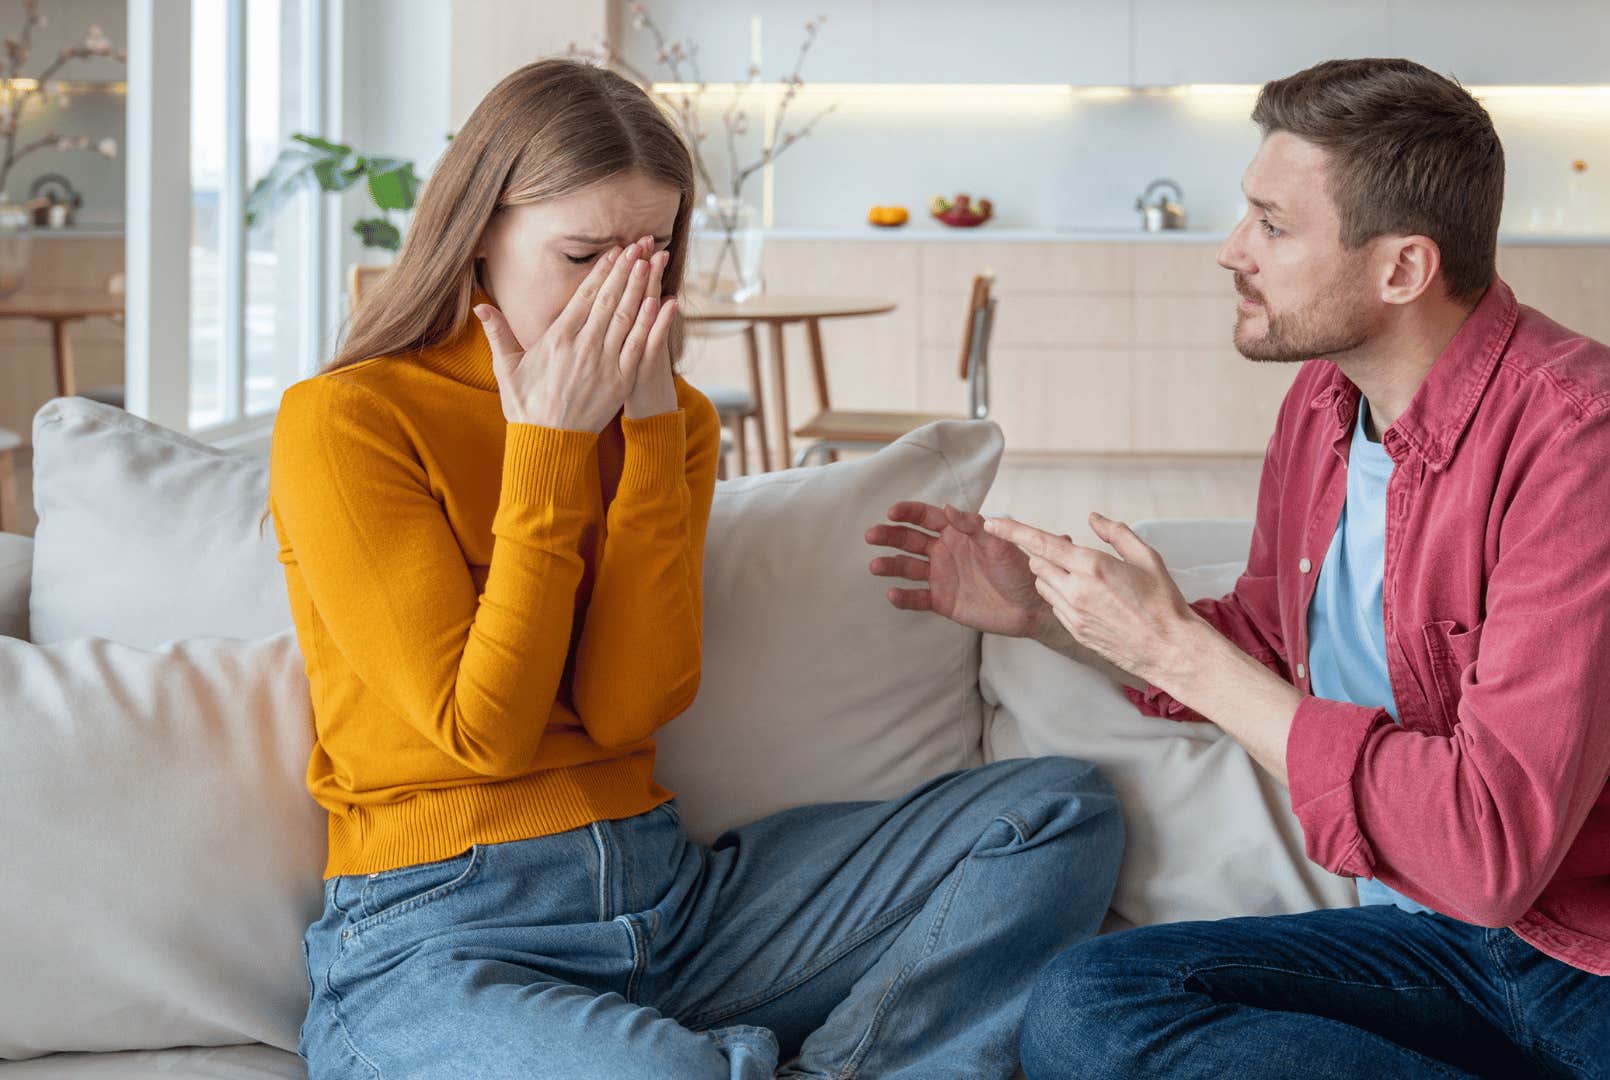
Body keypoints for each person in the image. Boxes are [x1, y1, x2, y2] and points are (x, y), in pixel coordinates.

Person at [867, 58, 1610, 1079]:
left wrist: (1178, 654)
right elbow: (1268, 645)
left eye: (1272, 225)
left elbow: (1488, 852)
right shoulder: (1322, 406)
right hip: (1441, 951)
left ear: (1401, 269)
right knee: (1091, 1004)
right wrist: (1052, 614)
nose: (1230, 252)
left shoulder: (1592, 438)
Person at [270, 57, 1123, 1080]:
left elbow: (628, 709)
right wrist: (546, 443)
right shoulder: (351, 418)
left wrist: (637, 436)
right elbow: (481, 734)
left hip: (673, 904)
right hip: (442, 935)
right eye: (582, 255)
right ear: (479, 233)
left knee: (1055, 810)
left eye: (648, 258)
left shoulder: (674, 421)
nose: (620, 299)